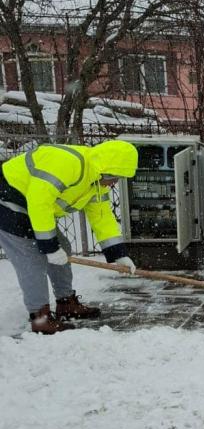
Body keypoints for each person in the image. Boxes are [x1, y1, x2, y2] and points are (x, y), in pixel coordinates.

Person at [0, 139, 139, 333]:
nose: (115, 183)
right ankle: (40, 318)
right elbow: (39, 201)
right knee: (32, 259)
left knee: (62, 248)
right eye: (116, 177)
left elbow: (103, 218)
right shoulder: (69, 164)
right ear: (105, 170)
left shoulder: (96, 183)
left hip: (34, 209)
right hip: (8, 201)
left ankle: (66, 303)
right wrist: (49, 247)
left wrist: (118, 254)